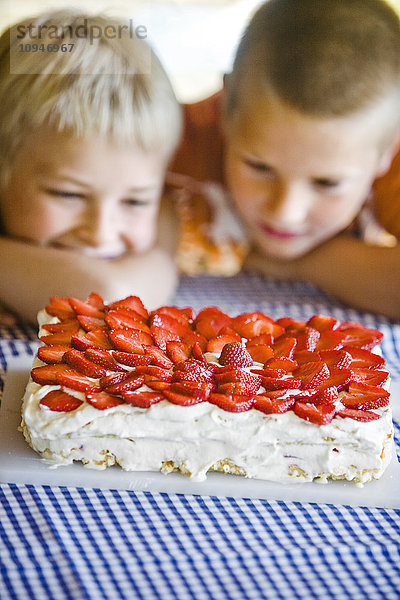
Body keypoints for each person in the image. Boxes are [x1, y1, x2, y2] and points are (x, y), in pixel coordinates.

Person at [171, 0, 400, 319]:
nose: (286, 213)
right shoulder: (166, 140)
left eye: (326, 182)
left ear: (388, 151)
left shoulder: (380, 139)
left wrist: (298, 263)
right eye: (259, 167)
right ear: (224, 110)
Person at [0, 10, 182, 323]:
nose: (101, 233)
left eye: (135, 201)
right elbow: (105, 291)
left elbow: (109, 293)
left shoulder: (168, 217)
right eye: (69, 195)